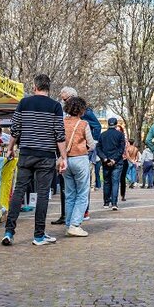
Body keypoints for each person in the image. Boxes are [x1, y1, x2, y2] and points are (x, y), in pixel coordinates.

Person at [3, 74, 67, 247]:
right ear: (49, 87)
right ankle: (38, 235)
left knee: (18, 191)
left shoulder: (24, 103)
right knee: (42, 194)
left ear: (34, 86)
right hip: (46, 155)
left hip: (26, 153)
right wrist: (63, 157)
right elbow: (59, 134)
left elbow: (15, 129)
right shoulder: (55, 106)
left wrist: (10, 148)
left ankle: (9, 231)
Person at [61, 96, 96, 237]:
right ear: (81, 109)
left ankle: (69, 223)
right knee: (82, 194)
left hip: (66, 160)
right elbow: (92, 144)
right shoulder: (83, 124)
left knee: (69, 194)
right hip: (80, 159)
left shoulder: (62, 122)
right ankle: (75, 225)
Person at [97, 117, 125, 210]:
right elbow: (121, 149)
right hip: (117, 162)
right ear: (116, 124)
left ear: (108, 124)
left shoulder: (102, 135)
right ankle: (114, 203)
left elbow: (98, 148)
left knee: (106, 182)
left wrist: (104, 158)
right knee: (115, 182)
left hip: (106, 162)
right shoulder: (120, 135)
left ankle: (106, 202)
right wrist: (114, 159)